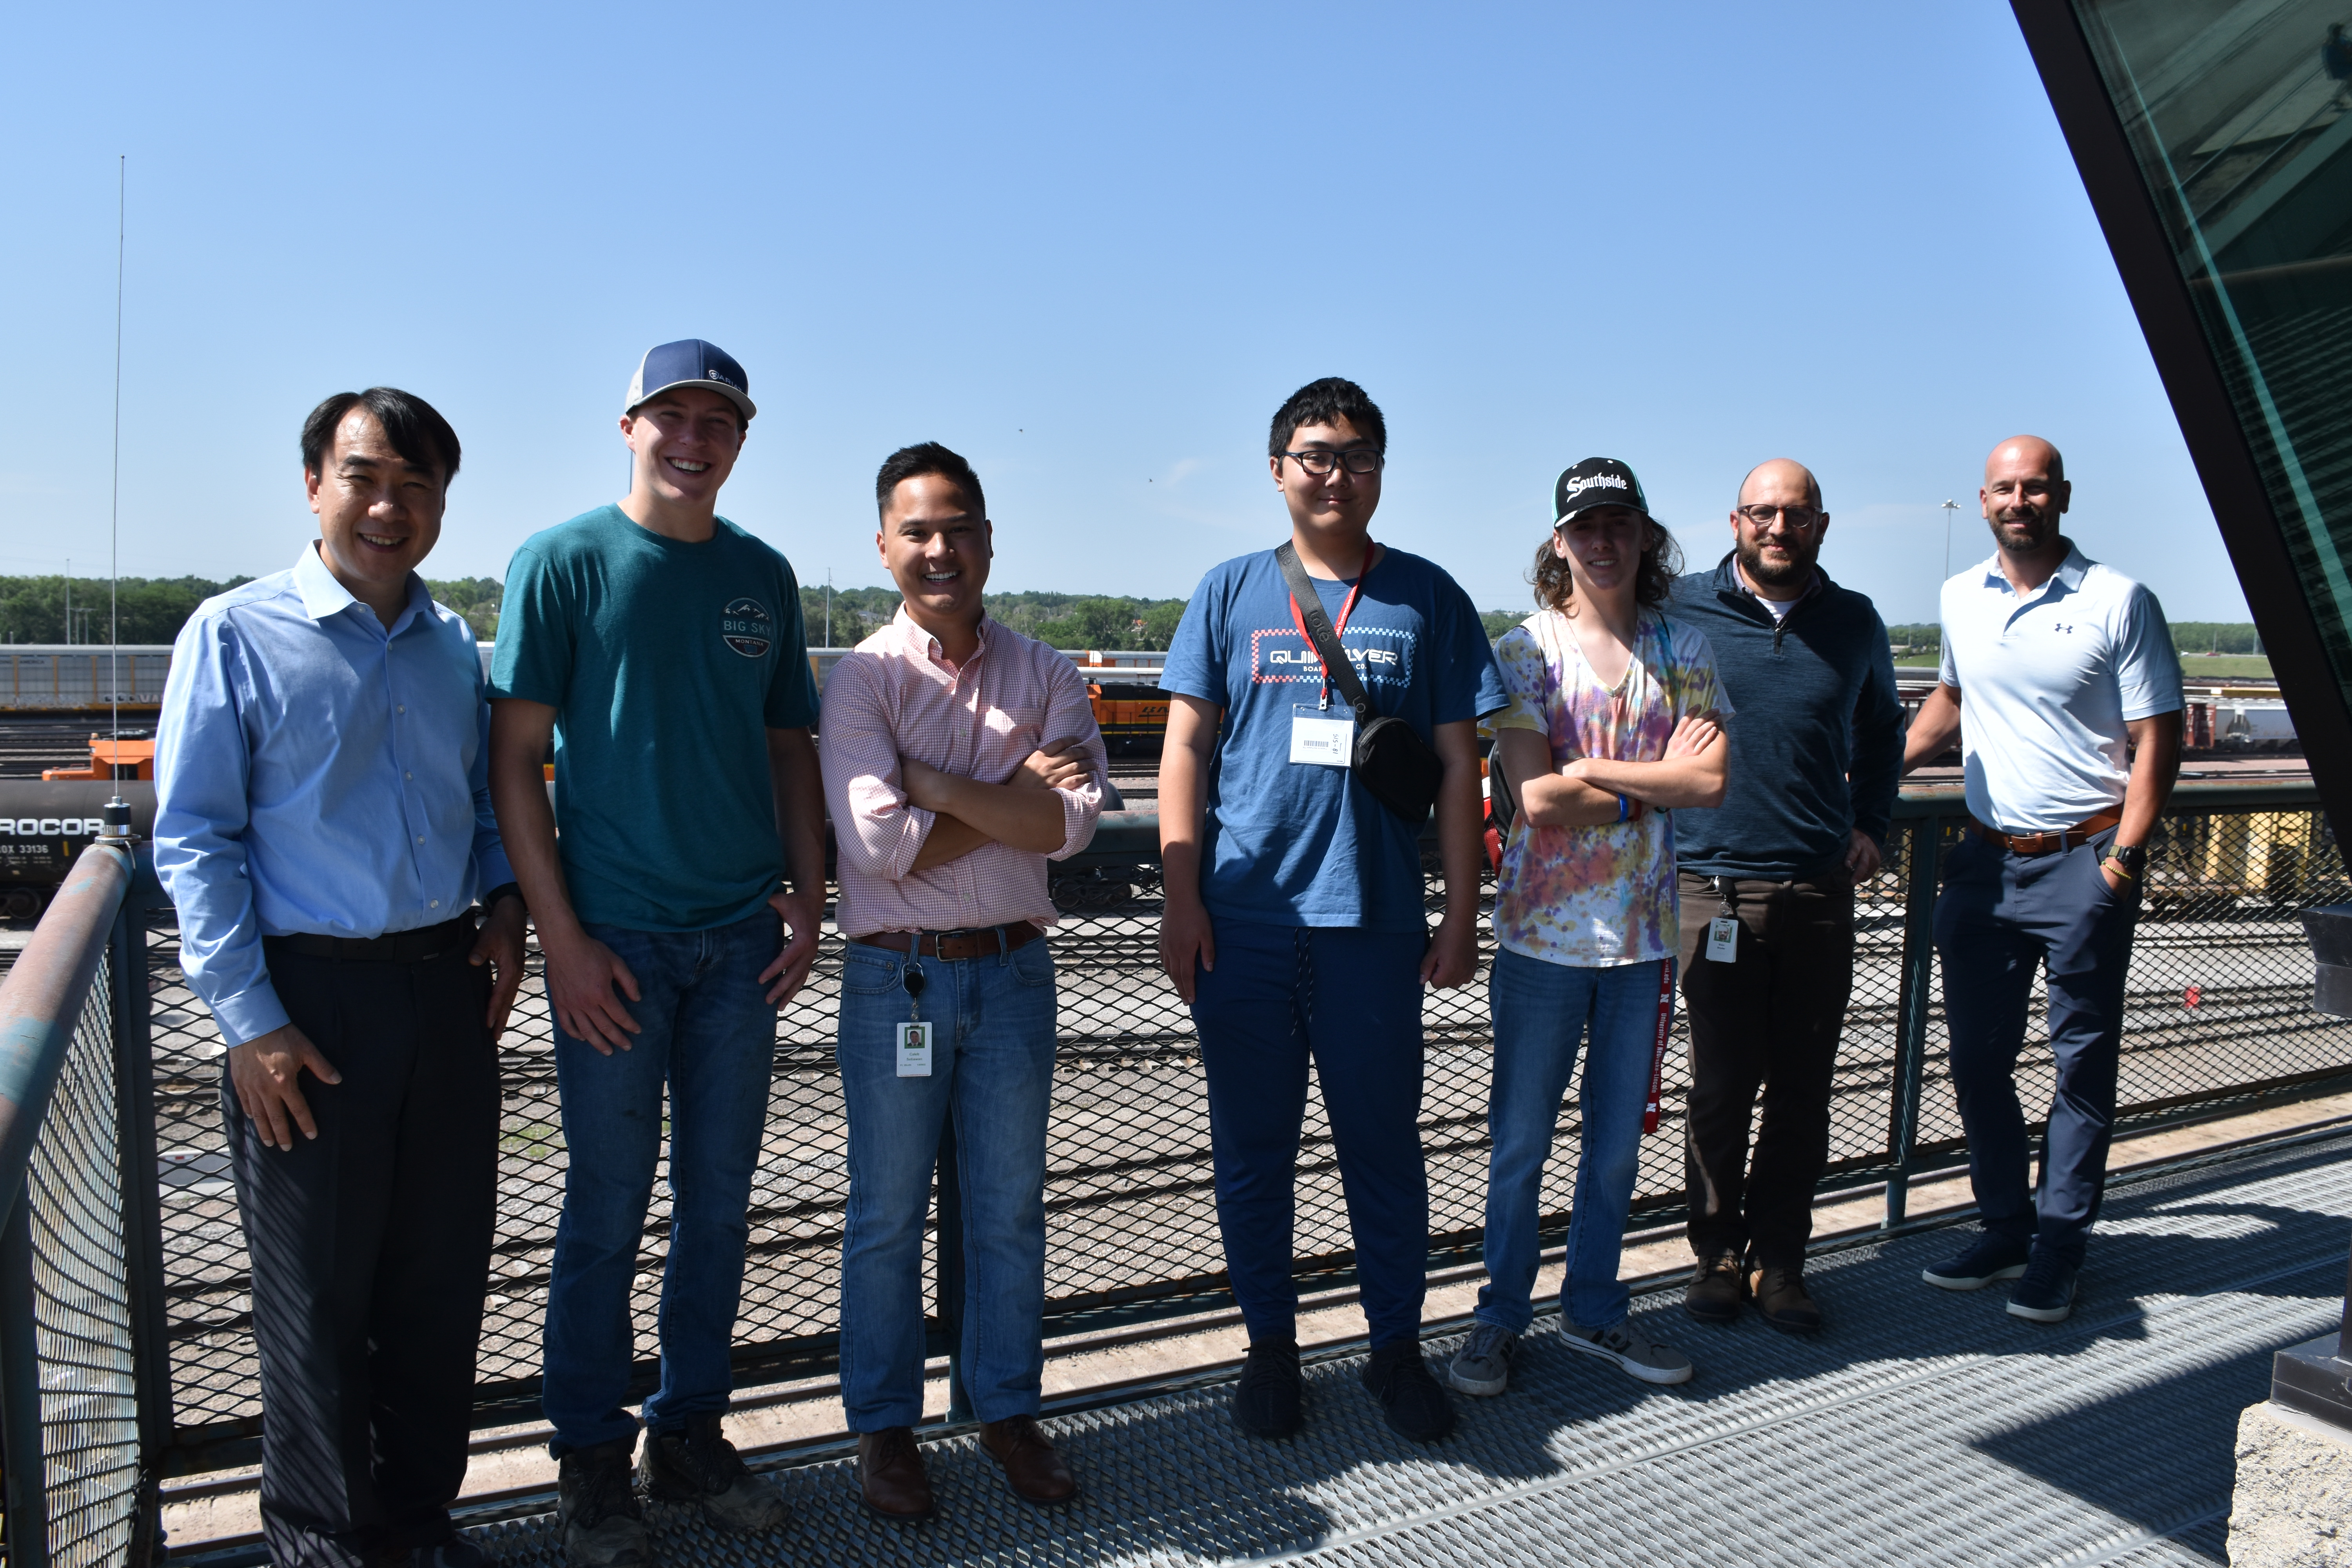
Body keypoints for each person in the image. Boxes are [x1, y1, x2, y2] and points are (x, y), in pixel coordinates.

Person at [154, 388, 526, 1568]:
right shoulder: (233, 633)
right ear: (314, 484)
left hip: (444, 995)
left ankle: (420, 1522)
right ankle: (321, 1542)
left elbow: (477, 810)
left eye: (417, 488)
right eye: (365, 478)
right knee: (315, 1300)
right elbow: (194, 840)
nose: (389, 506)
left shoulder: (451, 644)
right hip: (306, 1008)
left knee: (438, 1283)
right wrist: (249, 1022)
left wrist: (507, 900)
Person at [488, 341, 820, 1566]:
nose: (696, 437)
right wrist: (562, 939)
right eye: (673, 415)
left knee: (720, 1209)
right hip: (615, 944)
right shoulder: (564, 561)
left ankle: (687, 1435)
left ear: (742, 438)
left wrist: (809, 896)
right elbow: (516, 761)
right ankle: (589, 1458)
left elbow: (790, 746)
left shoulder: (763, 577)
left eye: (720, 420)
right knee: (605, 1211)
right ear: (628, 425)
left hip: (740, 942)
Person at [1157, 377, 1503, 1443]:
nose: (1334, 472)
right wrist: (1181, 901)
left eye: (1356, 455)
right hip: (1246, 925)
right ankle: (1272, 1348)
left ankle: (1394, 1350)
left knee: (1382, 1152)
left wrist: (1460, 912)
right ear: (1277, 470)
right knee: (1253, 1152)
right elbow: (1184, 746)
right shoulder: (1227, 592)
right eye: (1314, 454)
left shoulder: (1426, 597)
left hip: (1374, 929)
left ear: (1381, 472)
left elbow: (1459, 765)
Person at [819, 443, 1105, 1520]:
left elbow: (1067, 828)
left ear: (989, 539)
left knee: (1008, 1212)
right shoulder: (861, 678)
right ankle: (885, 1430)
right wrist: (1001, 790)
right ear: (886, 544)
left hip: (1015, 976)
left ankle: (1005, 1410)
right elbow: (876, 845)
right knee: (886, 1215)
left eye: (960, 527)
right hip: (899, 978)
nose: (941, 549)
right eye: (919, 531)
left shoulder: (1048, 673)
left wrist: (935, 781)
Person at [1445, 459, 1729, 1401]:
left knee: (1615, 1144)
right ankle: (1499, 1314)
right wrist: (1649, 781)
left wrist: (1594, 767)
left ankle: (1596, 1306)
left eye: (1620, 523)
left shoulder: (1685, 649)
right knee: (1520, 1140)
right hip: (1540, 946)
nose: (1602, 541)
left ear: (1645, 535)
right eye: (1584, 526)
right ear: (1558, 541)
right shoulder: (1520, 652)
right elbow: (1536, 799)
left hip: (1644, 945)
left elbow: (1710, 783)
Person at [1904, 436, 2182, 1325]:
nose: (2019, 500)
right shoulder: (1959, 596)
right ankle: (2005, 1227)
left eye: (2035, 487)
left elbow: (2159, 738)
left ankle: (2060, 1246)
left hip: (2082, 858)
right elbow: (1951, 697)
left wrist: (2122, 861)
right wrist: (1881, 769)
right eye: (2005, 488)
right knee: (1978, 1060)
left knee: (2080, 1067)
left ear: (2061, 496)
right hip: (1984, 864)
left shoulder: (2118, 600)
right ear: (1983, 500)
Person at [1664, 460, 1904, 1334]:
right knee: (1720, 1088)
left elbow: (1884, 729)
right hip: (1707, 885)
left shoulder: (1854, 622)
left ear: (1821, 526)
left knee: (1803, 1087)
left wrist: (1873, 817)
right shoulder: (1679, 609)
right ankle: (1716, 1254)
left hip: (1814, 887)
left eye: (1794, 514)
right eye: (1761, 512)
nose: (1777, 527)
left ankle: (1783, 1261)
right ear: (1734, 521)